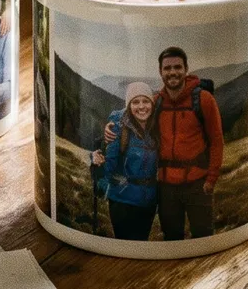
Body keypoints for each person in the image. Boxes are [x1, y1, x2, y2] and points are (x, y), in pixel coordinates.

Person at [150, 46, 222, 239]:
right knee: (172, 236)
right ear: (160, 72)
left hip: (198, 183)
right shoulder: (156, 101)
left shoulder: (203, 99)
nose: (172, 72)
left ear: (186, 69)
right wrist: (111, 128)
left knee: (203, 235)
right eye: (167, 68)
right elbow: (135, 124)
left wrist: (211, 179)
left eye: (177, 67)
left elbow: (216, 141)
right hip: (166, 186)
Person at [89, 82, 160, 240]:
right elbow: (109, 165)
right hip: (122, 201)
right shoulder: (119, 128)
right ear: (128, 106)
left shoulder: (157, 127)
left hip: (148, 202)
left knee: (141, 244)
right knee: (126, 245)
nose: (141, 106)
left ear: (152, 104)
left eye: (146, 101)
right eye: (135, 102)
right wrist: (97, 162)